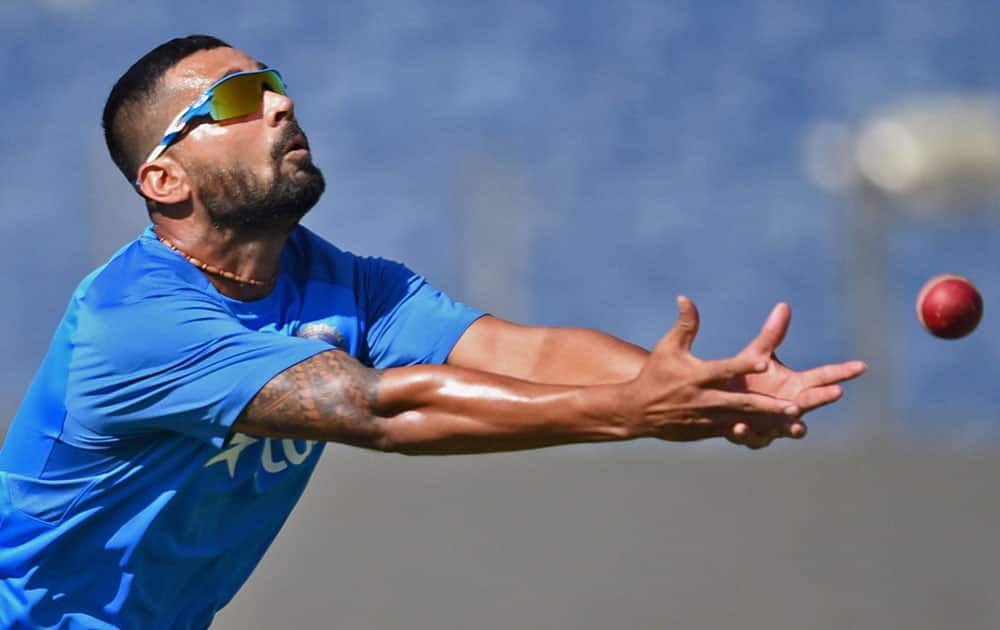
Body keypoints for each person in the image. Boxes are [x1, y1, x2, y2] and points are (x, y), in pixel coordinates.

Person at [0, 34, 865, 629]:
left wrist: (698, 388)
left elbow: (524, 351)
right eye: (237, 99)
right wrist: (632, 413)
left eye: (274, 84)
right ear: (164, 177)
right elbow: (376, 411)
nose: (281, 104)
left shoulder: (335, 279)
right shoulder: (134, 322)